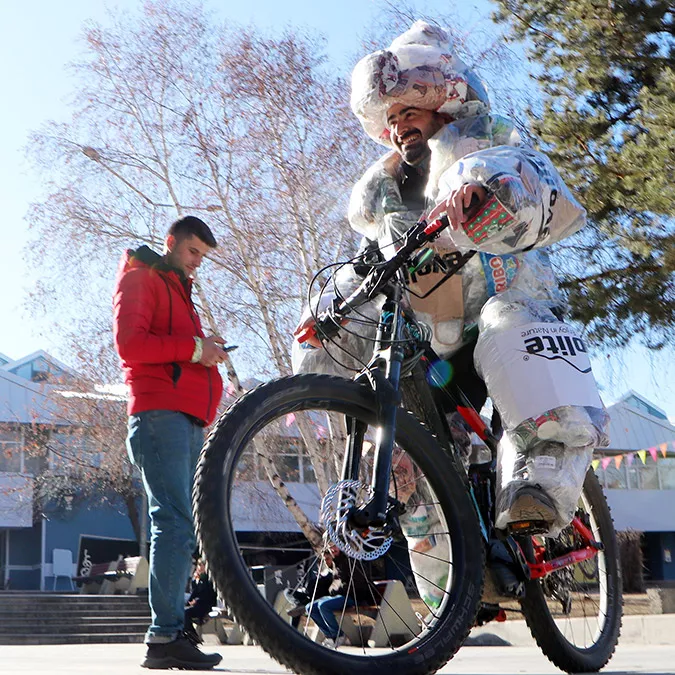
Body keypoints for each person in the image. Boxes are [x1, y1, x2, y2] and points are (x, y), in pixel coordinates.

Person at [293, 21, 609, 542]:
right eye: (391, 118)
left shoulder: (484, 140)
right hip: (433, 341)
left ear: (443, 104)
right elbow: (374, 259)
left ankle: (541, 481)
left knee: (506, 321)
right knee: (397, 427)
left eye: (409, 112)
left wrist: (478, 186)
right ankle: (445, 563)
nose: (399, 127)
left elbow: (521, 171)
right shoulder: (387, 191)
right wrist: (330, 310)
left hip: (502, 308)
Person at [113, 215, 226, 670]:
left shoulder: (180, 291)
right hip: (160, 416)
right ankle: (164, 637)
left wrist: (205, 349)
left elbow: (178, 346)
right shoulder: (142, 278)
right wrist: (197, 349)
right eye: (192, 251)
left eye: (203, 256)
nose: (197, 263)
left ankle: (172, 631)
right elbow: (130, 345)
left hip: (186, 419)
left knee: (181, 525)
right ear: (171, 243)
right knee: (174, 522)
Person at [305, 541, 375, 648]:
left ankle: (339, 636)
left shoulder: (349, 560)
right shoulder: (335, 563)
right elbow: (336, 583)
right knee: (309, 607)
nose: (333, 549)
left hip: (353, 597)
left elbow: (357, 583)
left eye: (335, 545)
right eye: (330, 547)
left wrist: (339, 591)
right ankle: (329, 636)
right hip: (340, 596)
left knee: (323, 606)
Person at [184, 559, 218, 644]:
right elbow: (194, 593)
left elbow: (208, 595)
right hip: (197, 605)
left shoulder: (208, 579)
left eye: (202, 565)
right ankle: (188, 634)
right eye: (199, 565)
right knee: (182, 612)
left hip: (205, 606)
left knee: (186, 613)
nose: (200, 568)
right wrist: (189, 602)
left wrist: (196, 600)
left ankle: (193, 636)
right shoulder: (196, 579)